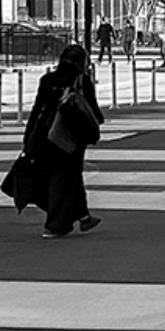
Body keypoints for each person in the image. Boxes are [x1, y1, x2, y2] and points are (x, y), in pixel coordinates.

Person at [24, 43, 106, 238]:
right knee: (65, 178)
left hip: (46, 135)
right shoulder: (81, 81)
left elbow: (37, 111)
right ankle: (55, 225)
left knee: (68, 177)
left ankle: (84, 216)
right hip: (71, 137)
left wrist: (28, 138)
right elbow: (92, 111)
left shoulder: (48, 80)